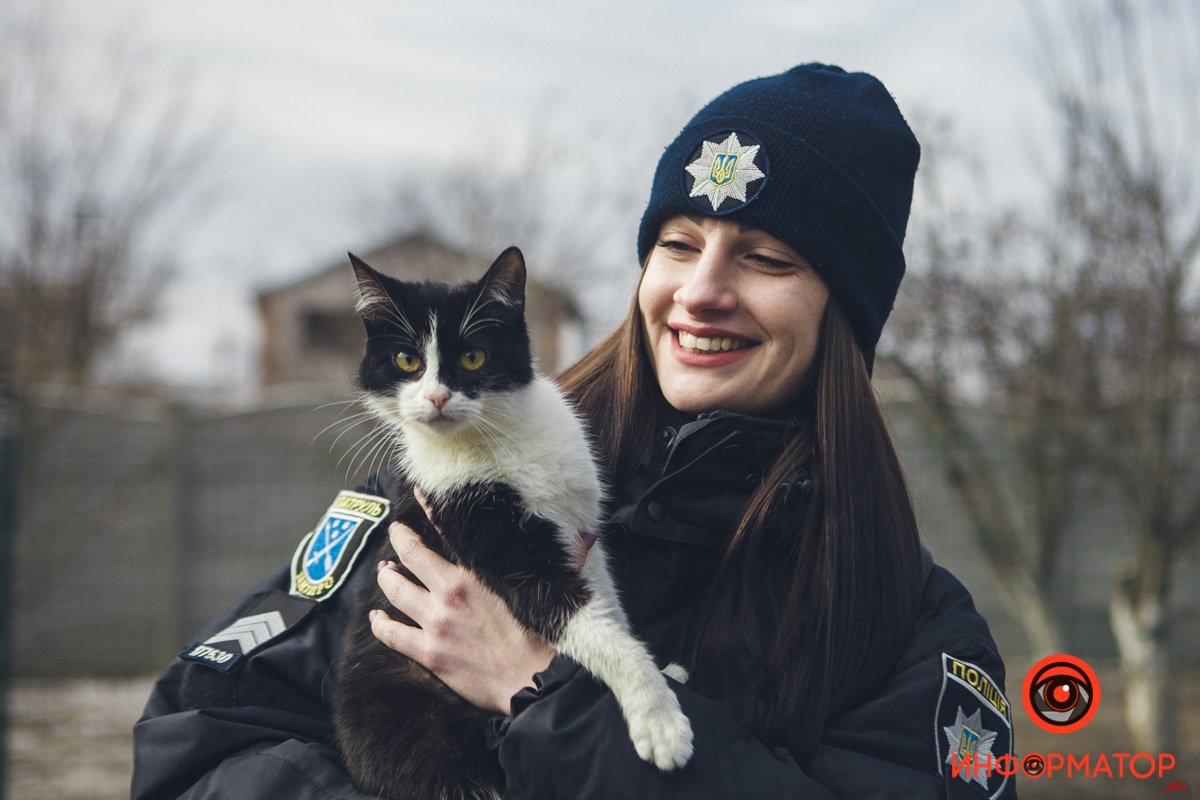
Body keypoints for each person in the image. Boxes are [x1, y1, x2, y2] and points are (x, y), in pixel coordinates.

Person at [133, 63, 1017, 799]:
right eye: (677, 242)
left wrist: (545, 695)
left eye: (766, 258)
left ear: (844, 315)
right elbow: (201, 734)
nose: (700, 290)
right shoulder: (454, 472)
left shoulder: (906, 616)